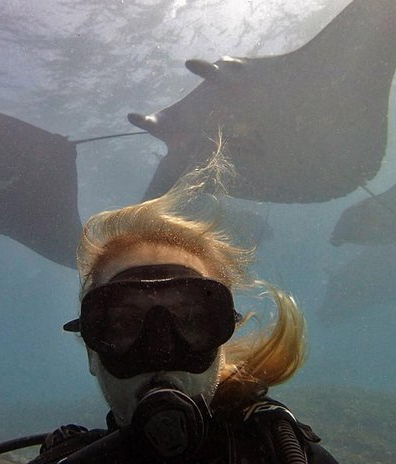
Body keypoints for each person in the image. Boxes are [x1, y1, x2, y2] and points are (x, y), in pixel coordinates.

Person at [32, 139, 339, 463]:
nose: (161, 352)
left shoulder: (286, 454)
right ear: (92, 353)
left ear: (223, 339)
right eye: (124, 323)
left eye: (192, 320)